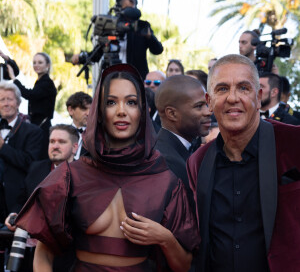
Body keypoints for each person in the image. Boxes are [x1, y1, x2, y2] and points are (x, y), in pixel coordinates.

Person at [15, 63, 200, 272]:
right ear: (99, 112)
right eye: (111, 102)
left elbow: (184, 266)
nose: (121, 111)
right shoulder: (70, 177)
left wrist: (166, 238)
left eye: (131, 102)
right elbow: (43, 254)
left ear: (143, 111)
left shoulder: (165, 180)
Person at [187, 54, 300, 272]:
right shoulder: (198, 162)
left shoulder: (294, 143)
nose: (232, 98)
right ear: (209, 102)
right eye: (222, 89)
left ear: (258, 98)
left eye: (243, 88)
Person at [5, 124, 79, 272]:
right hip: (28, 252)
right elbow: (22, 199)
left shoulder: (84, 175)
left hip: (68, 255)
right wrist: (14, 214)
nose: (55, 146)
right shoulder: (36, 167)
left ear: (75, 147)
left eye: (62, 142)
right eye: (52, 141)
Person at [71, 0, 163, 80]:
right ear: (118, 9)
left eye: (133, 9)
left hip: (136, 79)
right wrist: (80, 58)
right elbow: (96, 55)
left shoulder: (141, 27)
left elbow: (158, 50)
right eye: (127, 9)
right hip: (113, 77)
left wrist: (150, 37)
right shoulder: (110, 27)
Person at [154, 75, 211, 210]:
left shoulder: (180, 150)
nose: (208, 112)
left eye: (207, 104)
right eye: (199, 106)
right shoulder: (165, 161)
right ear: (172, 114)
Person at [0, 82, 43, 218]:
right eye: (2, 99)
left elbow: (30, 163)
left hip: (19, 202)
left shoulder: (33, 131)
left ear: (18, 103)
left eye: (10, 99)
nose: (6, 103)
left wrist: (3, 147)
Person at [66, 92, 92, 160]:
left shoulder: (97, 136)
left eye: (91, 109)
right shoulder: (62, 134)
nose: (88, 113)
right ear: (71, 110)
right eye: (84, 109)